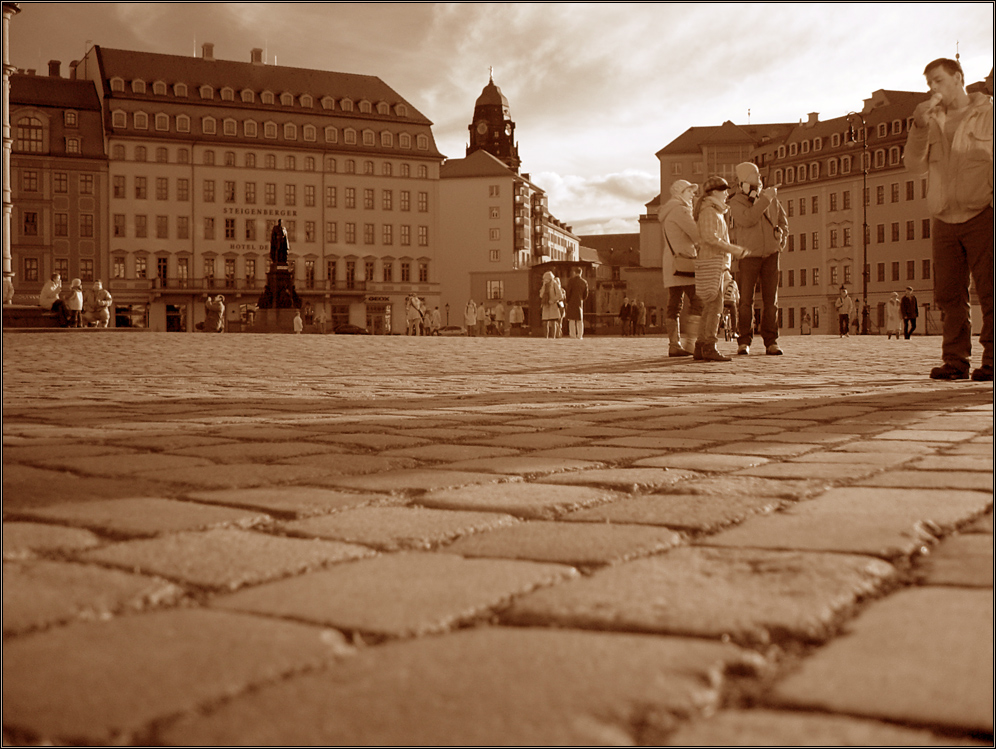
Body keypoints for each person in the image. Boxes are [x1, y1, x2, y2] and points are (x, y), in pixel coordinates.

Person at [905, 57, 993, 381]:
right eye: (929, 83)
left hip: (982, 212)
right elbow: (913, 165)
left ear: (958, 78)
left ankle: (993, 360)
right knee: (949, 295)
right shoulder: (932, 121)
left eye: (938, 81)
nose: (933, 88)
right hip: (943, 217)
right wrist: (918, 127)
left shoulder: (988, 114)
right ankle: (955, 361)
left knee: (990, 291)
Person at [729, 161, 788, 356]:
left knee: (771, 301)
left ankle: (771, 341)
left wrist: (782, 240)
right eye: (753, 177)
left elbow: (782, 221)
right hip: (749, 255)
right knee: (746, 300)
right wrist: (765, 200)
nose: (757, 179)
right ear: (743, 180)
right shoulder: (737, 201)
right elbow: (748, 219)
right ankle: (744, 341)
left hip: (771, 254)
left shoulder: (767, 196)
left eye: (757, 176)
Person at [692, 175, 749, 361]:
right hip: (712, 262)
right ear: (715, 192)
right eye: (724, 191)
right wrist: (732, 248)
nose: (726, 194)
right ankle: (709, 345)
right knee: (715, 306)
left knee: (710, 306)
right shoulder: (710, 212)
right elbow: (710, 237)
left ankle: (700, 346)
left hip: (713, 262)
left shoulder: (712, 211)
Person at [659, 179, 703, 356]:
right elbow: (696, 234)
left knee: (674, 304)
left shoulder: (669, 211)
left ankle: (674, 344)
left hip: (672, 262)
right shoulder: (681, 210)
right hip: (685, 262)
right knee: (698, 301)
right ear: (680, 192)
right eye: (689, 191)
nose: (692, 194)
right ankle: (691, 342)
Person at [564, 266, 589, 339]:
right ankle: (580, 335)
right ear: (581, 273)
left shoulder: (571, 281)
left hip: (571, 301)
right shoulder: (584, 282)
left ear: (574, 272)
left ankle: (573, 334)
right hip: (579, 302)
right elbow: (586, 294)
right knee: (579, 320)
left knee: (572, 320)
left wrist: (567, 301)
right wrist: (582, 299)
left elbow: (568, 292)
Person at [540, 271, 563, 339]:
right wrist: (544, 287)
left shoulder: (555, 284)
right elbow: (541, 295)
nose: (545, 280)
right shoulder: (544, 285)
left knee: (553, 322)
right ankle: (546, 337)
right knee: (545, 322)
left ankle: (553, 337)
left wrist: (553, 300)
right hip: (545, 305)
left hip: (552, 305)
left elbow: (560, 295)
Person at [723, 273, 739, 341]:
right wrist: (737, 302)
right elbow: (737, 294)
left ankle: (722, 323)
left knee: (719, 313)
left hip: (723, 301)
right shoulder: (734, 283)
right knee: (734, 315)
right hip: (732, 302)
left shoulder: (723, 282)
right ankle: (734, 331)